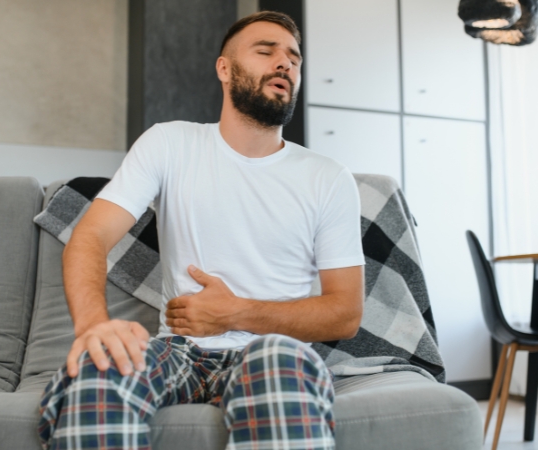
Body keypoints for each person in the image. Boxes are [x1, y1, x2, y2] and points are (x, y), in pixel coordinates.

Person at [38, 11, 365, 450]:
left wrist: (235, 313)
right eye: (265, 51)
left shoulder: (329, 177)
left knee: (281, 360)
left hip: (271, 350)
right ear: (224, 69)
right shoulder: (169, 143)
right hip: (178, 351)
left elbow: (345, 313)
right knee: (101, 367)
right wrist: (94, 327)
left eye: (294, 57)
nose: (285, 63)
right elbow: (90, 237)